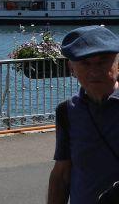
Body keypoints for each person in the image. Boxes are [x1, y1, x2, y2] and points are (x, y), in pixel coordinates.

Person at [47, 25, 119, 204]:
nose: (94, 71)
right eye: (85, 63)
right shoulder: (66, 111)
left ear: (118, 64)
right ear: (71, 68)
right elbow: (62, 174)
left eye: (102, 62)